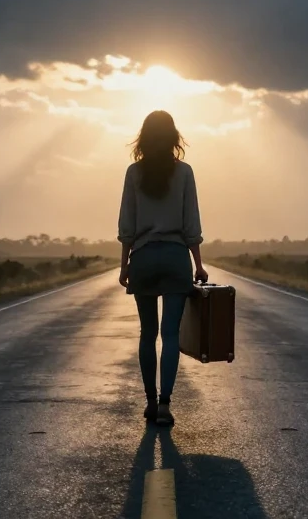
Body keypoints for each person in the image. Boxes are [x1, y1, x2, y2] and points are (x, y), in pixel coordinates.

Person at [117, 110, 207, 426]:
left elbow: (126, 223)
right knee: (169, 335)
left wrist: (124, 264)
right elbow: (191, 224)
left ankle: (150, 402)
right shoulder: (184, 173)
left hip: (142, 257)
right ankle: (167, 404)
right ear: (173, 137)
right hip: (174, 258)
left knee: (147, 334)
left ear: (143, 137)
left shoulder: (133, 173)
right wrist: (199, 264)